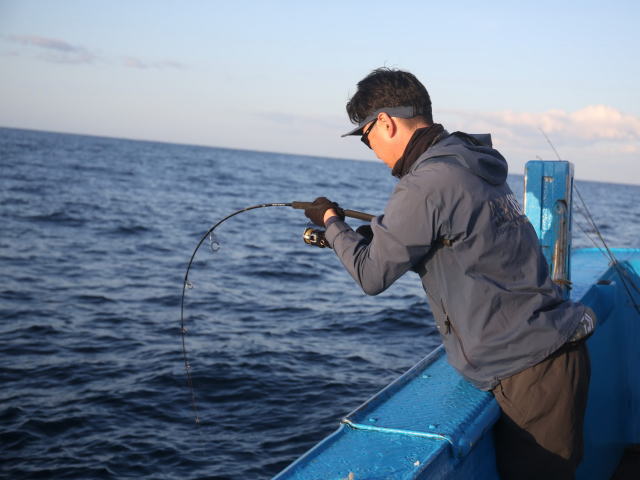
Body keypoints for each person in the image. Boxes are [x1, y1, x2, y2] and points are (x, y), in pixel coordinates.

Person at [303, 68, 595, 479]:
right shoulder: (471, 164)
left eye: (366, 137)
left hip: (528, 370)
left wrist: (332, 224)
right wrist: (382, 234)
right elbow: (462, 240)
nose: (371, 149)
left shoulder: (426, 182)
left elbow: (371, 276)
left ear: (385, 122)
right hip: (551, 355)